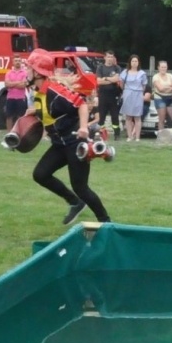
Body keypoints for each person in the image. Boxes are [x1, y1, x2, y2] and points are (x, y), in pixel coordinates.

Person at [25, 51, 113, 226]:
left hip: (75, 143)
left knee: (81, 187)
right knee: (40, 174)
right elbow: (52, 113)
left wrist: (82, 127)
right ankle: (75, 202)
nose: (25, 70)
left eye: (28, 67)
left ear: (37, 72)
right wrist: (35, 112)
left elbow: (81, 105)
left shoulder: (54, 90)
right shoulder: (39, 92)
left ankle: (106, 222)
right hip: (59, 144)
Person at [119, 55, 148, 141]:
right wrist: (126, 91)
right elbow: (121, 84)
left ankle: (137, 137)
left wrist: (138, 92)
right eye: (133, 61)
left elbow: (144, 86)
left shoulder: (142, 73)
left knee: (137, 116)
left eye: (136, 61)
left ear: (138, 62)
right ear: (130, 62)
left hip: (138, 94)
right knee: (128, 116)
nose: (134, 63)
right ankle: (129, 136)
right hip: (128, 93)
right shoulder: (125, 72)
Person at [95, 51, 122, 133]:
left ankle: (117, 133)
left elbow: (117, 79)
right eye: (108, 57)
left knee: (115, 116)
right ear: (105, 57)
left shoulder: (117, 68)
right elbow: (99, 81)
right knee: (101, 115)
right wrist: (111, 79)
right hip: (103, 94)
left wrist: (105, 78)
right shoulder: (100, 67)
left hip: (113, 95)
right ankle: (101, 133)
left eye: (111, 57)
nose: (110, 58)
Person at [150, 60, 172, 137]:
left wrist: (166, 88)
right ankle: (160, 135)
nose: (163, 68)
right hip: (159, 98)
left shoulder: (171, 76)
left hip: (170, 98)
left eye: (165, 67)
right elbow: (160, 88)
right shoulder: (155, 77)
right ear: (158, 68)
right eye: (162, 67)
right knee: (162, 118)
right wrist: (169, 87)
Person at [3, 61, 31, 130]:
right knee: (9, 117)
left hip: (21, 98)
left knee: (20, 117)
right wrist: (18, 82)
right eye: (15, 61)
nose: (17, 62)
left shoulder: (25, 73)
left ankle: (18, 132)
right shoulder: (9, 73)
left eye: (19, 61)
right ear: (13, 62)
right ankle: (9, 134)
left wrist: (12, 83)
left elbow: (23, 85)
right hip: (10, 98)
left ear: (21, 62)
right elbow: (7, 84)